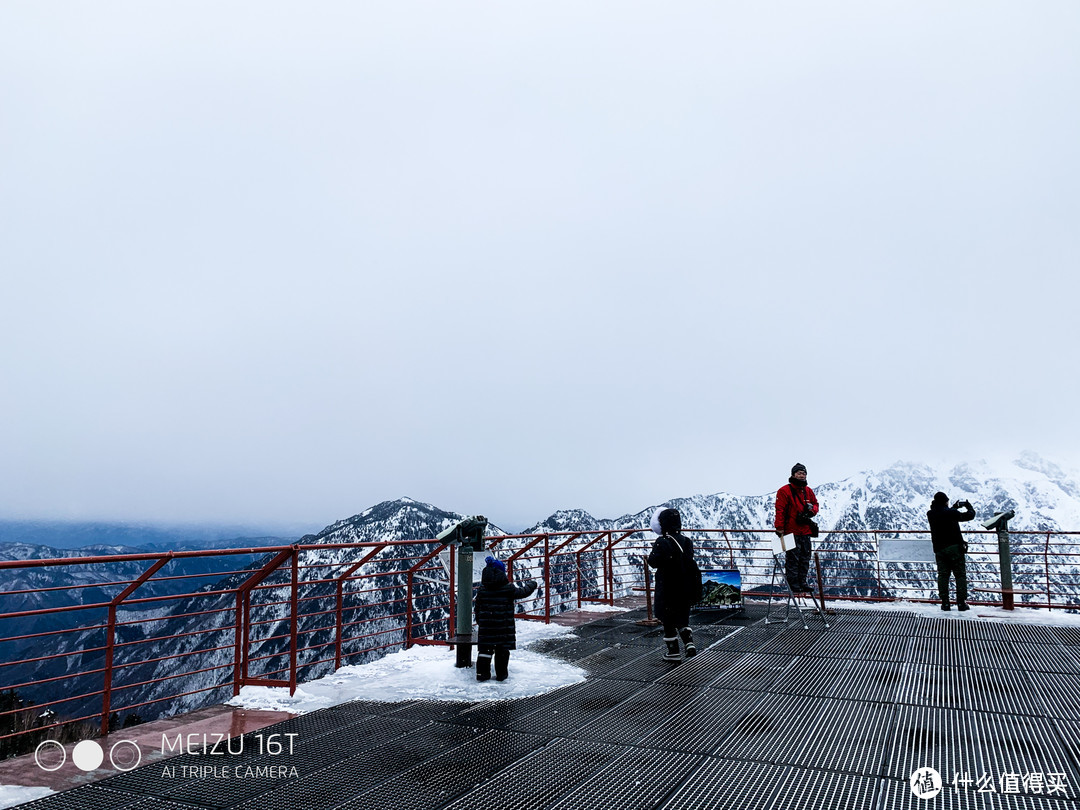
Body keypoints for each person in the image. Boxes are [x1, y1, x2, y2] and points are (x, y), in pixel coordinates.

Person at [474, 556, 538, 681]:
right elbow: (522, 592)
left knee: (485, 651)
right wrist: (532, 584)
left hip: (486, 627)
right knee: (502, 651)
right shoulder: (508, 588)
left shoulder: (482, 589)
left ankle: (482, 675)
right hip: (503, 626)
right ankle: (501, 675)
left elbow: (477, 607)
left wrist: (480, 621)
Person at [647, 507, 697, 662]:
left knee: (668, 619)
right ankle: (689, 643)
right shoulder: (686, 541)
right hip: (685, 585)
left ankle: (673, 652)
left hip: (667, 586)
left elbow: (653, 562)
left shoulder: (662, 542)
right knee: (682, 616)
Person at [774, 462, 819, 594]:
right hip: (790, 531)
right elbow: (780, 510)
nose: (802, 475)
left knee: (805, 558)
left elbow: (816, 504)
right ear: (793, 474)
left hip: (805, 531)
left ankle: (802, 582)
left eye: (804, 473)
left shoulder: (808, 491)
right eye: (799, 473)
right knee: (793, 559)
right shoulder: (784, 491)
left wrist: (811, 512)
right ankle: (793, 584)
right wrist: (779, 528)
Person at [927, 492, 976, 611]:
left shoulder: (931, 513)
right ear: (945, 501)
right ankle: (961, 603)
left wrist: (953, 507)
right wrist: (969, 507)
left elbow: (944, 513)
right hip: (954, 548)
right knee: (959, 575)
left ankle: (945, 603)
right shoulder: (951, 513)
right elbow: (969, 516)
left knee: (943, 576)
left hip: (939, 549)